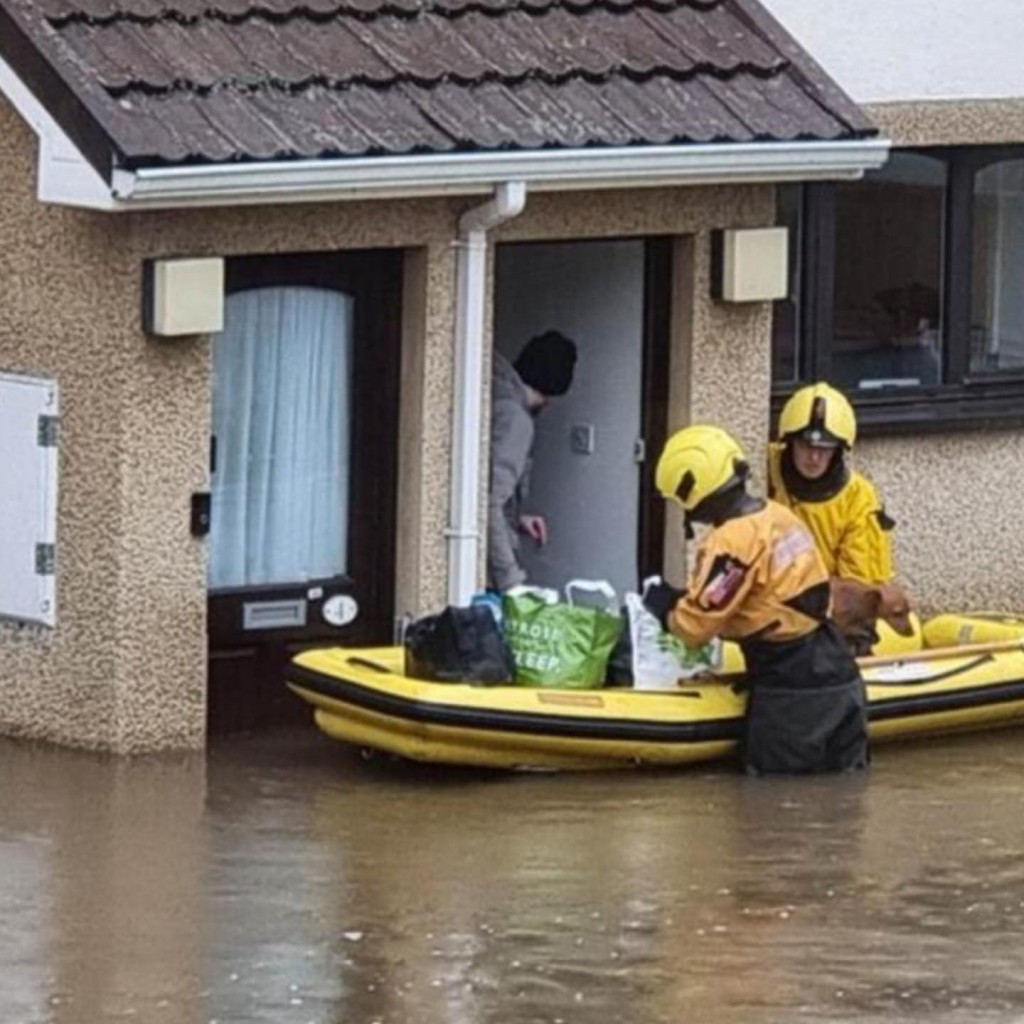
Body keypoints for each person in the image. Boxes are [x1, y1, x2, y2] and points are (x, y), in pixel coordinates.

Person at [644, 425, 869, 775]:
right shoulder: (777, 516)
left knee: (775, 812)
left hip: (792, 696)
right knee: (840, 808)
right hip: (839, 676)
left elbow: (695, 626)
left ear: (696, 492)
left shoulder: (732, 541)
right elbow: (774, 594)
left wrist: (665, 607)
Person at [767, 382, 894, 586]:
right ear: (789, 443)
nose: (814, 457)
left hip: (829, 607)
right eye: (805, 445)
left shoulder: (858, 498)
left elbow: (859, 590)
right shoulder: (763, 470)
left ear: (838, 450)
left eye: (825, 448)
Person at [487, 330, 578, 592]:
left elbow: (488, 487)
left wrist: (518, 518)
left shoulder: (494, 395)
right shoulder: (517, 421)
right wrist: (511, 581)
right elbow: (490, 502)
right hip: (491, 568)